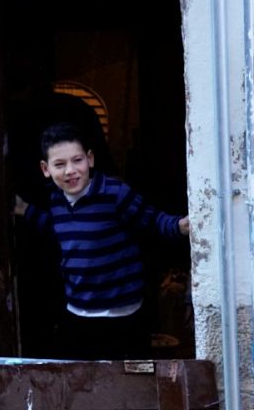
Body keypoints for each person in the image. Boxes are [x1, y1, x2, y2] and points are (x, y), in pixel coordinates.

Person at [20, 122, 191, 360]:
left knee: (128, 383)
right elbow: (57, 228)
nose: (70, 170)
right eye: (60, 164)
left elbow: (153, 221)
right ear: (45, 169)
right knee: (87, 385)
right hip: (78, 314)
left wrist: (181, 226)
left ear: (90, 159)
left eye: (77, 160)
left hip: (124, 315)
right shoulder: (56, 200)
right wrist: (24, 210)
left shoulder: (115, 193)